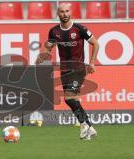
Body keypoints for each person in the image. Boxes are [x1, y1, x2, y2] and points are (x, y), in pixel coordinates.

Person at [36, 3, 99, 140]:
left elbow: (95, 43)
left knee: (69, 98)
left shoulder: (79, 29)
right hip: (64, 69)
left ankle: (84, 124)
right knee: (73, 100)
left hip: (78, 69)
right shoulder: (54, 31)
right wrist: (43, 55)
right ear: (57, 14)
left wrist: (92, 62)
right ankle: (89, 127)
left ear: (70, 13)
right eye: (62, 12)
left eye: (67, 11)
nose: (65, 14)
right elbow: (49, 47)